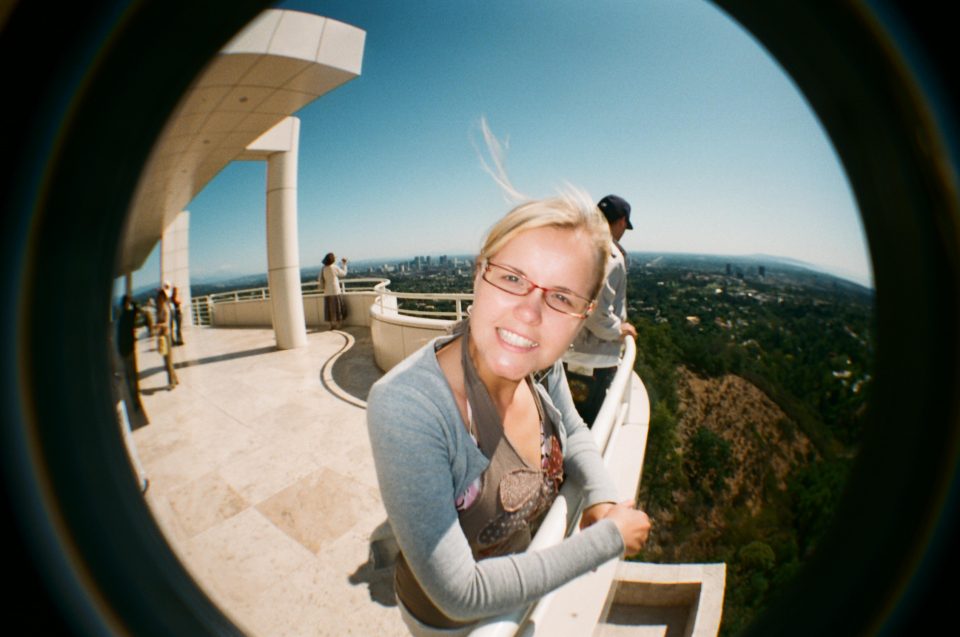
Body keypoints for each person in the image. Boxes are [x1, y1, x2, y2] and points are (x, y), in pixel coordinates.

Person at [366, 190, 651, 635]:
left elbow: (572, 428)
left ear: (584, 315)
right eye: (513, 278)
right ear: (479, 274)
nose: (529, 313)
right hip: (451, 625)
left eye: (562, 297)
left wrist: (600, 495)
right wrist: (608, 539)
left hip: (524, 589)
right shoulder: (409, 406)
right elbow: (458, 591)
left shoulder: (541, 365)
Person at [563, 194, 638, 427]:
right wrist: (620, 329)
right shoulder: (609, 256)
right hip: (593, 358)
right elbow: (596, 313)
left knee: (568, 423)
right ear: (622, 221)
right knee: (587, 427)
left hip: (571, 350)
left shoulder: (578, 247)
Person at [116, 295, 147, 419]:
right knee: (133, 376)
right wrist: (133, 301)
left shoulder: (121, 317)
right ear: (127, 303)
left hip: (122, 351)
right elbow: (137, 309)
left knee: (129, 377)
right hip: (129, 350)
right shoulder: (129, 315)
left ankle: (134, 400)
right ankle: (136, 401)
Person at [155, 286, 179, 388]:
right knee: (167, 359)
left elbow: (166, 323)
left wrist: (158, 325)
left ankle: (171, 382)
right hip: (162, 335)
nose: (158, 298)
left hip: (166, 335)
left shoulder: (165, 308)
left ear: (163, 298)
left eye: (160, 297)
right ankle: (175, 379)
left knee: (168, 360)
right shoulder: (160, 308)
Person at [319, 252, 348, 330]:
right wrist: (344, 264)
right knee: (337, 308)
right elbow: (344, 274)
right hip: (335, 290)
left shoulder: (323, 268)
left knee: (329, 309)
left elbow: (321, 279)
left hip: (327, 291)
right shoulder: (334, 267)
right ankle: (338, 325)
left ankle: (331, 325)